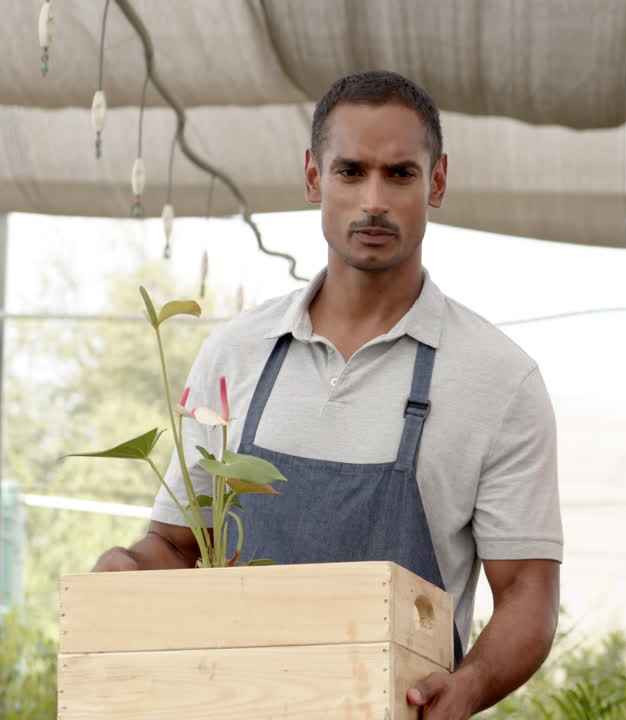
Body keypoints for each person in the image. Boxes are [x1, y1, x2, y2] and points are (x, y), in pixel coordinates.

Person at [91, 70, 563, 719]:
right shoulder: (238, 353)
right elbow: (174, 545)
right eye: (351, 172)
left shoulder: (499, 380)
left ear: (438, 180)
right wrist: (126, 569)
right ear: (314, 177)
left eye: (400, 173)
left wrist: (472, 685)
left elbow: (528, 593)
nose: (374, 199)